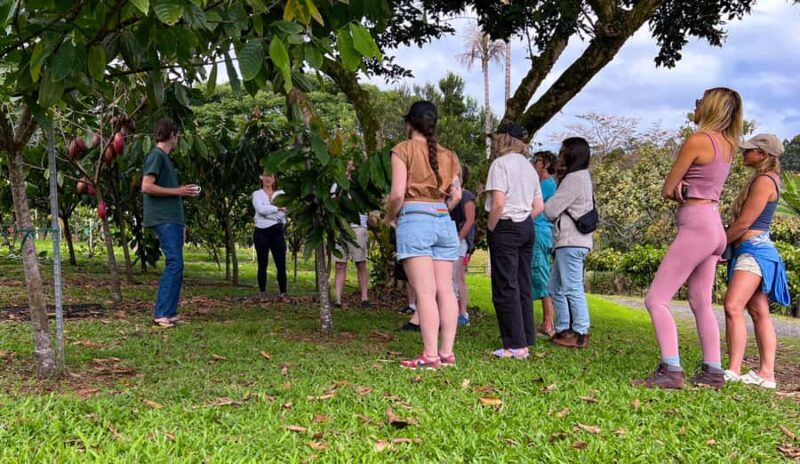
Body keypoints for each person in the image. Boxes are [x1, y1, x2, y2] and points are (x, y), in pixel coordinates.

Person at [634, 87, 743, 390]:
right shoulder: (728, 145)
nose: (695, 106)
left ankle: (671, 369)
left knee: (656, 299)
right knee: (700, 302)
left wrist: (681, 185)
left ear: (709, 107)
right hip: (715, 226)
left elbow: (668, 189)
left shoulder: (699, 140)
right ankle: (713, 371)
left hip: (696, 225)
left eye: (699, 102)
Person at [386, 100, 461, 369]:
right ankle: (446, 354)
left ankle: (430, 356)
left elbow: (397, 194)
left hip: (415, 219)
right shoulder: (449, 155)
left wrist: (390, 216)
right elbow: (456, 197)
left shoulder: (402, 150)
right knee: (446, 290)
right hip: (444, 220)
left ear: (409, 123)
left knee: (425, 293)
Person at [723, 134, 790, 390]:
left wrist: (718, 246)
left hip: (754, 252)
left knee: (732, 305)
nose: (744, 153)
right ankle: (766, 374)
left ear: (762, 154)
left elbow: (744, 223)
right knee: (759, 312)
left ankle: (734, 370)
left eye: (749, 150)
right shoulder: (767, 179)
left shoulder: (764, 181)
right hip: (752, 251)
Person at [485, 122, 543, 359]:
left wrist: (492, 227)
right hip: (526, 226)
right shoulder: (530, 168)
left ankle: (515, 345)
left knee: (505, 285)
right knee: (522, 282)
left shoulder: (500, 165)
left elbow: (498, 203)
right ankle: (525, 337)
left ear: (504, 139)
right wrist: (522, 220)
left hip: (505, 225)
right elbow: (539, 206)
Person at [141, 118, 200, 328]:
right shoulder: (156, 156)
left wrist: (181, 223)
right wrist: (179, 191)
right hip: (164, 218)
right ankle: (162, 313)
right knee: (174, 263)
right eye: (177, 135)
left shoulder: (164, 158)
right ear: (173, 135)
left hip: (172, 219)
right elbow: (146, 186)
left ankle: (170, 312)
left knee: (177, 264)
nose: (177, 139)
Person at [544, 138, 594, 349]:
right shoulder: (581, 176)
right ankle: (563, 327)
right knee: (554, 286)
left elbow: (550, 210)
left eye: (562, 151)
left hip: (571, 241)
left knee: (572, 287)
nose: (560, 155)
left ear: (571, 154)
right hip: (571, 241)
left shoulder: (575, 178)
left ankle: (581, 331)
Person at [531, 150, 559, 337]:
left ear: (546, 164)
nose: (534, 163)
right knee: (537, 272)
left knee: (540, 273)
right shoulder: (545, 184)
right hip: (540, 231)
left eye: (537, 161)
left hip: (540, 231)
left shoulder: (547, 184)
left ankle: (548, 322)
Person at [448, 165, 477, 326]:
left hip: (460, 241)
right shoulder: (449, 198)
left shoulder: (466, 195)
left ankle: (463, 313)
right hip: (450, 239)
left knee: (458, 275)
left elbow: (470, 220)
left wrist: (458, 239)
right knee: (450, 275)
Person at [252, 170, 288, 297]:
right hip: (261, 232)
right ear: (261, 178)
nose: (267, 179)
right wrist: (277, 208)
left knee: (281, 262)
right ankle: (262, 291)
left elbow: (283, 214)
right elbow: (260, 210)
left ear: (274, 179)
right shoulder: (257, 194)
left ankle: (283, 292)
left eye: (270, 176)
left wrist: (268, 213)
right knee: (262, 263)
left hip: (277, 231)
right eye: (265, 176)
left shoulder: (281, 194)